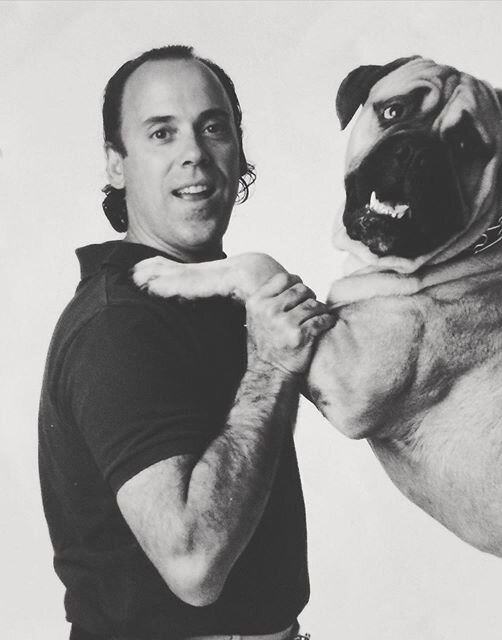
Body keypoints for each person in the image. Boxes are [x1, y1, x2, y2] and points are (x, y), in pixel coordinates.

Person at [38, 44, 333, 640]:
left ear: (238, 148)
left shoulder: (217, 299)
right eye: (161, 133)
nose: (194, 155)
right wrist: (273, 368)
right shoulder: (118, 324)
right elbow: (192, 563)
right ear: (116, 164)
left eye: (213, 128)